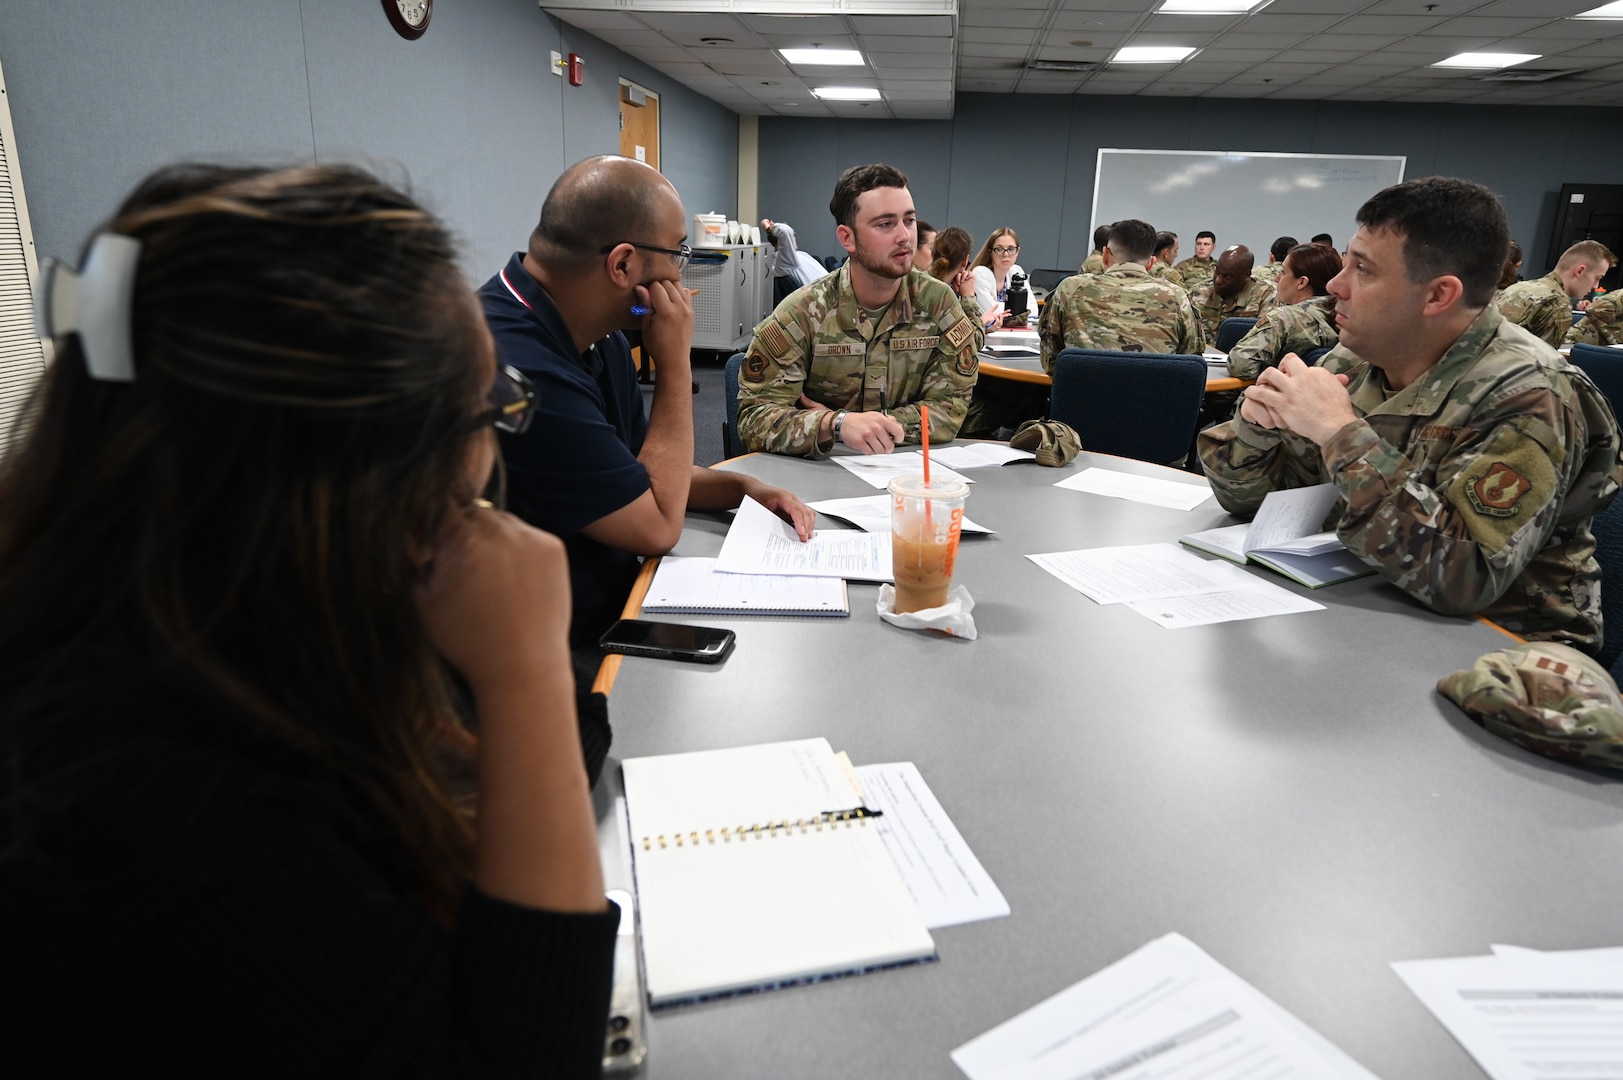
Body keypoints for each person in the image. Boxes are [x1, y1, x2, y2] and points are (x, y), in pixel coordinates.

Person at [0, 163, 620, 1075]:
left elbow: (576, 739)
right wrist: (522, 668)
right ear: (363, 474)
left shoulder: (207, 608)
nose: (491, 452)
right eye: (487, 410)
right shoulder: (172, 821)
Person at [1199, 176, 1623, 650]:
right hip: (1361, 605)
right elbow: (1251, 506)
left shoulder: (1533, 393)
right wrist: (1257, 431)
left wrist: (1340, 433)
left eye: (1363, 269)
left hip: (1501, 649)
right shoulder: (1356, 358)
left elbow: (1464, 579)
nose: (1335, 285)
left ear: (1438, 295)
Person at [480, 156, 812, 649]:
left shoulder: (600, 333)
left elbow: (643, 469)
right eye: (678, 252)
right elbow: (656, 525)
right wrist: (676, 364)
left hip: (604, 602)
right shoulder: (518, 370)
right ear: (623, 265)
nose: (681, 271)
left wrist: (744, 488)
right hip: (541, 644)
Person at [736, 163, 980, 457]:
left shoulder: (938, 303)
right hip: (821, 470)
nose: (905, 236)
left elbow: (950, 410)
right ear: (847, 238)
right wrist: (835, 424)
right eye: (885, 224)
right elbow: (753, 419)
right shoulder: (804, 312)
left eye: (909, 220)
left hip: (906, 470)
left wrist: (861, 425)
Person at [1038, 218, 1202, 369]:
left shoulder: (1071, 289)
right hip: (1153, 391)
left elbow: (1050, 360)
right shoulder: (1177, 296)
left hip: (1082, 390)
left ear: (1105, 255)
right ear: (1151, 263)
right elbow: (1189, 363)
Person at [1226, 243, 1343, 380]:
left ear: (1302, 282)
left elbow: (1239, 364)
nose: (1276, 278)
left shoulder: (1284, 318)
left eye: (1283, 272)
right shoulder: (1345, 316)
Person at [1494, 239, 1615, 348]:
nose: (1596, 286)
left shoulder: (1518, 287)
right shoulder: (1557, 302)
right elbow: (1544, 360)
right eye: (1597, 278)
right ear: (1580, 271)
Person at [1188, 244, 1278, 343]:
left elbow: (1264, 340)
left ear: (1247, 276)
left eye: (1228, 276)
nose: (1218, 280)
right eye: (1217, 272)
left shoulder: (1266, 294)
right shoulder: (1198, 292)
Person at [928, 225, 987, 339]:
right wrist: (968, 298)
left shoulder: (916, 282)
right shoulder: (944, 296)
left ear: (932, 254)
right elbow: (974, 341)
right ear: (965, 261)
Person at [761, 217, 828, 304]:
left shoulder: (800, 254)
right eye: (792, 235)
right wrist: (768, 228)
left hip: (832, 293)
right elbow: (784, 231)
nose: (794, 237)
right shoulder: (782, 263)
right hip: (826, 302)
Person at [971, 227, 1029, 328]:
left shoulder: (1016, 271)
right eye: (999, 249)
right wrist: (1018, 309)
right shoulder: (980, 273)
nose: (1005, 254)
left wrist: (998, 304)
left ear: (1017, 251)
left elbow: (1033, 309)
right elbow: (991, 312)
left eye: (1011, 249)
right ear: (990, 252)